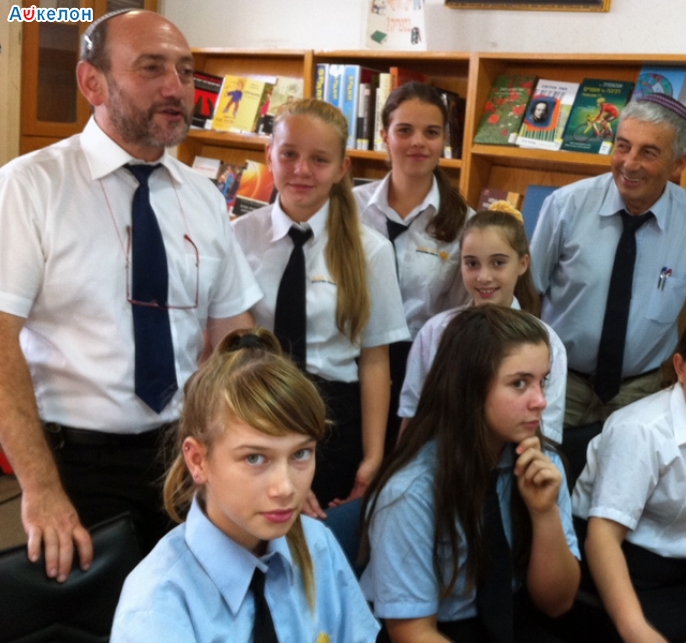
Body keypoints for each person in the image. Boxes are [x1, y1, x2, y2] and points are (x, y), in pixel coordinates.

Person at [0, 10, 261, 581]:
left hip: (186, 457)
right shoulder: (30, 187)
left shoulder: (203, 197)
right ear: (92, 82)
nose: (176, 87)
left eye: (185, 72)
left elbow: (235, 336)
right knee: (99, 616)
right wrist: (41, 488)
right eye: (151, 68)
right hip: (76, 465)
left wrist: (262, 454)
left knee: (192, 609)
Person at [110, 329, 380, 643]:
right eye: (255, 458)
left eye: (301, 454)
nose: (285, 488)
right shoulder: (157, 608)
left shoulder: (318, 546)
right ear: (198, 461)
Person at [360, 305, 581, 643]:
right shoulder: (410, 491)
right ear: (470, 388)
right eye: (520, 383)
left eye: (543, 381)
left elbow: (558, 603)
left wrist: (544, 513)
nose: (540, 401)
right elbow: (412, 633)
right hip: (441, 631)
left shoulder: (541, 463)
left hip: (514, 618)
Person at [232, 98, 409, 515]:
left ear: (342, 168)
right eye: (289, 154)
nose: (301, 170)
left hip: (335, 424)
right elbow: (231, 345)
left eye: (319, 159)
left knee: (318, 538)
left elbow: (375, 360)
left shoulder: (371, 251)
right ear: (269, 155)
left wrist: (373, 455)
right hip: (259, 409)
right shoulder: (239, 237)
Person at [530, 92, 686, 429]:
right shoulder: (566, 206)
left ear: (679, 164)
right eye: (623, 146)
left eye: (649, 152)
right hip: (558, 382)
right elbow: (530, 289)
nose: (629, 163)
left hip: (641, 394)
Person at [573, 310, 686, 643]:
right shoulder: (640, 430)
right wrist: (636, 631)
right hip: (625, 573)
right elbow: (602, 539)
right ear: (680, 368)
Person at [354, 81, 474, 451]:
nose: (418, 142)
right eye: (404, 130)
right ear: (384, 136)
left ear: (444, 141)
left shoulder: (465, 224)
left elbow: (462, 315)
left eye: (431, 132)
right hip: (349, 360)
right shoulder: (348, 209)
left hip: (420, 370)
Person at [398, 201, 568, 443]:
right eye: (472, 263)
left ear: (522, 263)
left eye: (498, 263)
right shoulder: (436, 332)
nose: (484, 277)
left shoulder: (547, 342)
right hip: (441, 457)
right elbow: (413, 414)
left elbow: (547, 431)